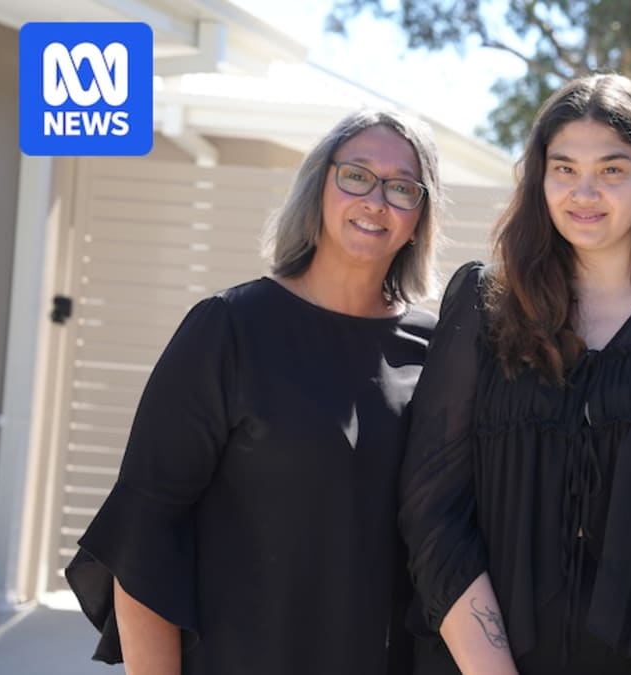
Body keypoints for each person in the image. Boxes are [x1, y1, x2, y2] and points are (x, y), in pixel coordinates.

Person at [399, 73, 631, 675]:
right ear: (540, 179)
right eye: (564, 168)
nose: (585, 192)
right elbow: (431, 502)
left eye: (612, 170)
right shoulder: (484, 303)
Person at [65, 109, 444, 675]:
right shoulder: (229, 329)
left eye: (402, 188)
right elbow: (145, 536)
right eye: (357, 175)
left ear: (418, 219)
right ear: (319, 187)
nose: (376, 200)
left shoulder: (435, 351)